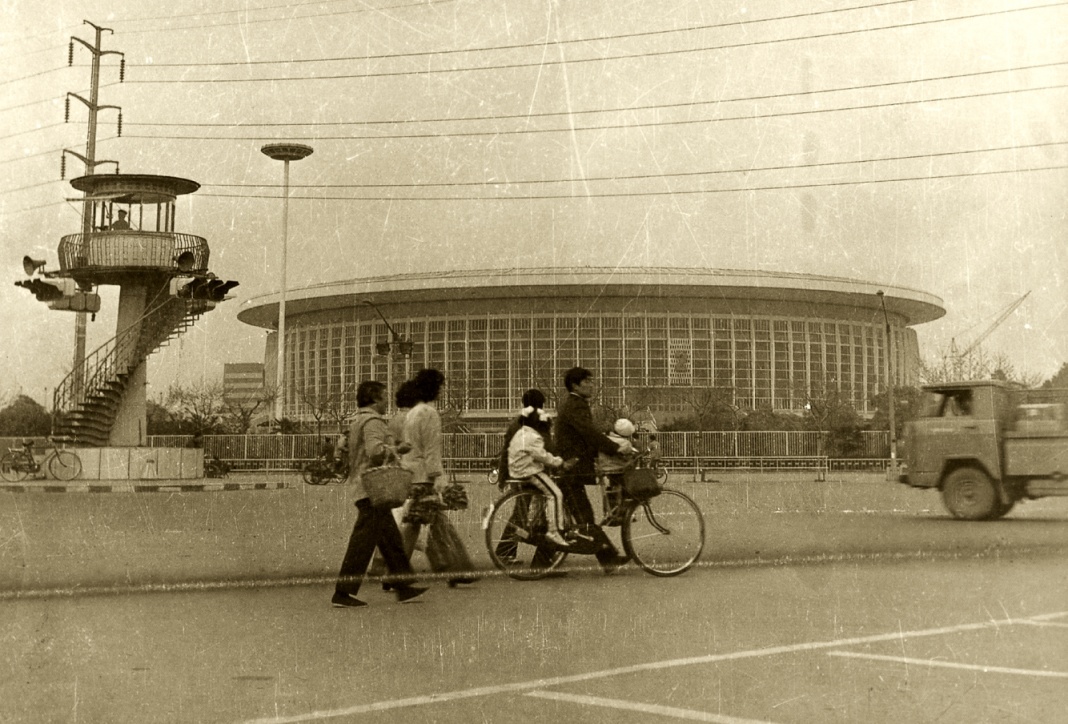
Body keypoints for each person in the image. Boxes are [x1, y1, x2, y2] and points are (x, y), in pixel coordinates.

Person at [332, 380, 428, 608]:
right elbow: (375, 451)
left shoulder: (359, 420)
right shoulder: (372, 421)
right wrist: (397, 449)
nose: (387, 402)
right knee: (362, 543)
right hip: (372, 489)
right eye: (384, 397)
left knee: (391, 540)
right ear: (374, 399)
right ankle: (343, 592)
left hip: (366, 487)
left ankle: (403, 586)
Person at [401, 369, 478, 587]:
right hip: (425, 476)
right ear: (434, 388)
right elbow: (431, 451)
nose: (442, 390)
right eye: (441, 386)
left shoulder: (413, 413)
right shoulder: (430, 414)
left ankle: (452, 568)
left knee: (424, 523)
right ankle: (453, 569)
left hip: (412, 474)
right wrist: (439, 479)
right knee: (426, 524)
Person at [554, 366, 633, 574]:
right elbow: (589, 433)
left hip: (571, 466)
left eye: (591, 381)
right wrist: (615, 448)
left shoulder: (573, 404)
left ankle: (608, 559)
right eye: (587, 381)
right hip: (571, 468)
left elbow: (588, 434)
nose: (591, 385)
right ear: (575, 385)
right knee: (583, 516)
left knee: (579, 514)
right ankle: (609, 559)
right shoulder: (576, 405)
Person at [508, 403, 574, 548]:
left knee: (540, 496)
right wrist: (560, 462)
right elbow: (543, 456)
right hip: (529, 471)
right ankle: (553, 531)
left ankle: (532, 525)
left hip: (517, 471)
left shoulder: (520, 433)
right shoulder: (533, 436)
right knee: (555, 494)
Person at [597, 419, 639, 524]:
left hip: (605, 469)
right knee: (630, 487)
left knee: (613, 487)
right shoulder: (626, 443)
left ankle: (612, 511)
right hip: (619, 469)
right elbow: (627, 456)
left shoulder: (606, 439)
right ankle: (628, 512)